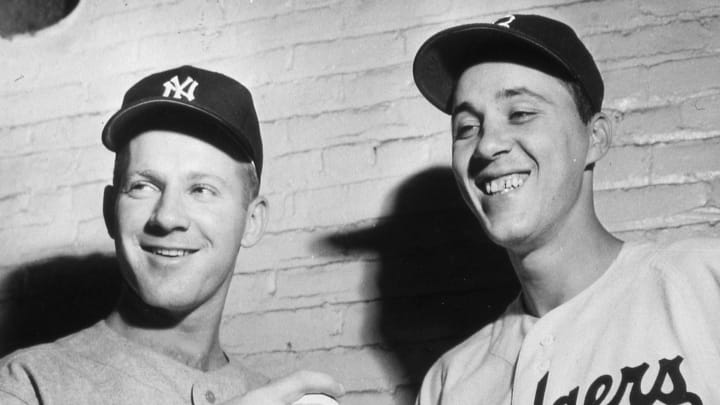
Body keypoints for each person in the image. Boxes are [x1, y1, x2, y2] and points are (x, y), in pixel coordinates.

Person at [412, 14, 720, 405]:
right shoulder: (449, 384)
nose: (487, 146)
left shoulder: (705, 287)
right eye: (467, 127)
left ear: (596, 137)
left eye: (521, 113)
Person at [0, 65, 344, 405]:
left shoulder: (274, 397)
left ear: (252, 220)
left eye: (202, 189)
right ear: (110, 211)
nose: (167, 216)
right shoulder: (27, 386)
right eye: (143, 186)